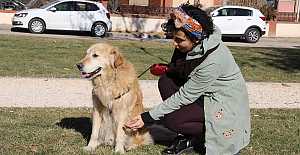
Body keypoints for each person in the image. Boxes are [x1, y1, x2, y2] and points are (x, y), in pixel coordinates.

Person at [125, 4, 250, 155]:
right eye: (173, 38)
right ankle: (191, 133)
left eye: (179, 40)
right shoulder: (194, 44)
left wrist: (147, 117)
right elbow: (180, 71)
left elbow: (184, 96)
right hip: (205, 96)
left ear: (196, 39)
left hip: (224, 103)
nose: (174, 44)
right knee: (166, 81)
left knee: (172, 120)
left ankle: (200, 136)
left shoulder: (212, 61)